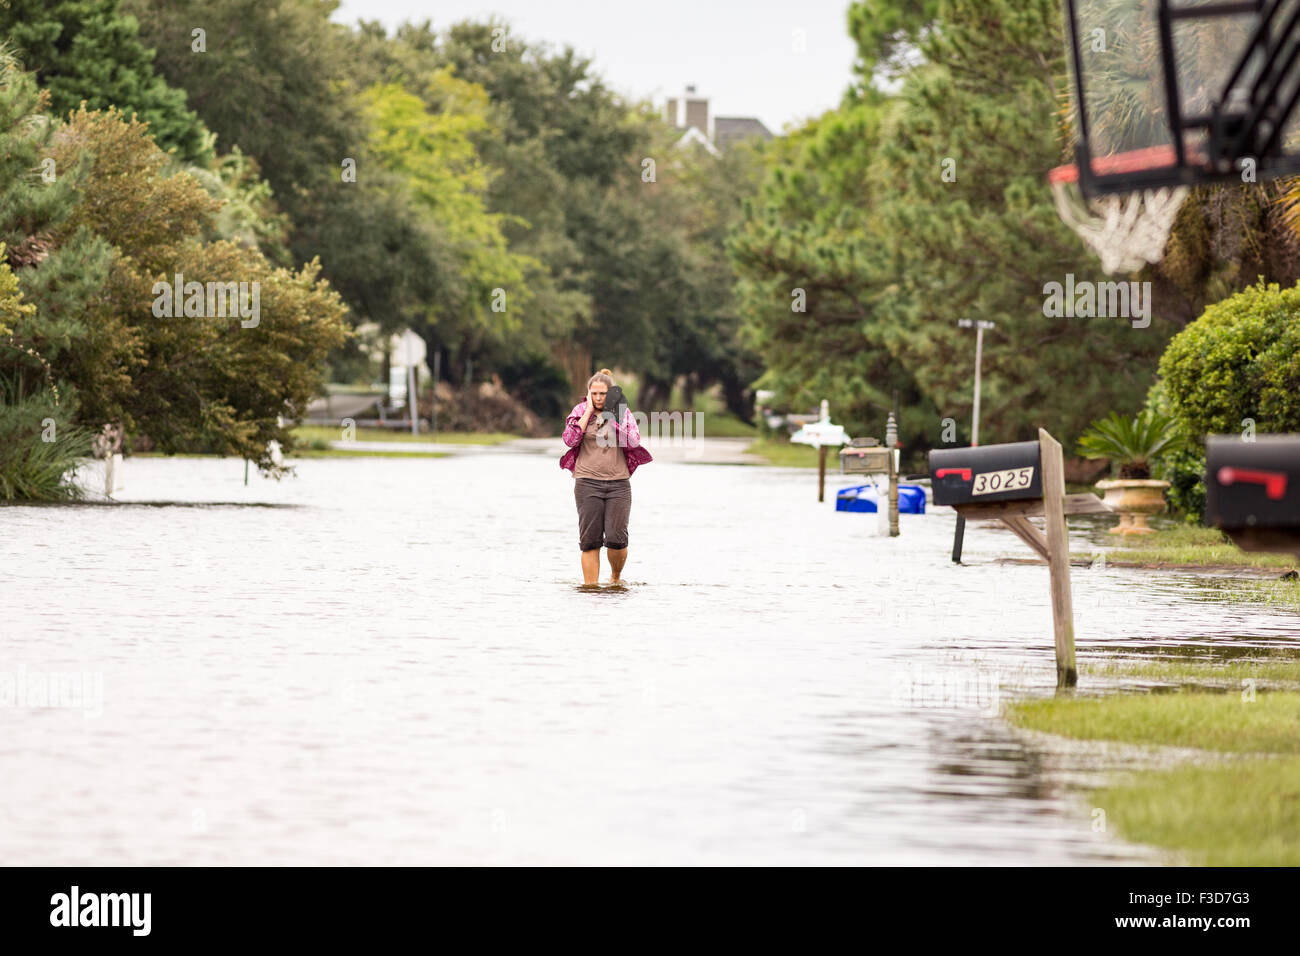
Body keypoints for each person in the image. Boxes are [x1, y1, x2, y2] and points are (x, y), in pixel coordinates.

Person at [559, 369, 653, 585]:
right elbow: (569, 440)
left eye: (603, 394)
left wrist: (612, 419)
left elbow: (633, 442)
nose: (598, 398)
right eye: (594, 394)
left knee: (616, 540)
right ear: (588, 393)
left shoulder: (623, 413)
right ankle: (590, 588)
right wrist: (588, 413)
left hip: (618, 484)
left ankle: (615, 577)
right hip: (586, 482)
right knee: (589, 542)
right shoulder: (580, 411)